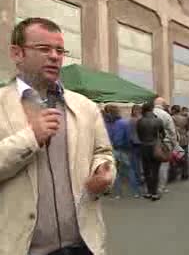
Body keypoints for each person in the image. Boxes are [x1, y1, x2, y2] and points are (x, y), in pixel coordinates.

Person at [0, 17, 116, 255]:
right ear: (17, 53)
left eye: (60, 50)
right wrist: (31, 138)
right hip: (20, 248)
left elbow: (103, 152)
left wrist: (104, 171)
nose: (55, 56)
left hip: (84, 245)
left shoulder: (85, 106)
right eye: (44, 49)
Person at [104, 104, 141, 199]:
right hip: (124, 149)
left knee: (115, 172)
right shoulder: (124, 123)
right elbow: (129, 137)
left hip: (111, 149)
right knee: (130, 170)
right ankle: (136, 192)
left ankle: (118, 193)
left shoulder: (105, 124)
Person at [137, 101, 171, 201]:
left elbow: (139, 135)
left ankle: (148, 191)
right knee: (155, 170)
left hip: (144, 147)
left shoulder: (140, 121)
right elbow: (163, 135)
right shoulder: (158, 121)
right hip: (155, 147)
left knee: (146, 170)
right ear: (152, 109)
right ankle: (154, 193)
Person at [153, 97, 177, 193]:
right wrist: (174, 144)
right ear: (163, 105)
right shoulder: (166, 115)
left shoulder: (148, 113)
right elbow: (172, 132)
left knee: (152, 166)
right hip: (164, 144)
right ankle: (161, 186)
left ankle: (152, 186)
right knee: (163, 165)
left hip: (150, 143)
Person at [171, 105, 189, 180]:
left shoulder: (172, 118)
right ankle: (185, 174)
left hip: (176, 139)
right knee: (184, 157)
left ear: (174, 110)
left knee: (175, 157)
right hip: (184, 139)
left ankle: (174, 174)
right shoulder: (185, 118)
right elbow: (188, 128)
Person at [129, 104, 144, 191]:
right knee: (139, 162)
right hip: (140, 142)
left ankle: (138, 179)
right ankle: (140, 178)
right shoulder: (140, 120)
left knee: (136, 162)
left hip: (133, 143)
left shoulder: (131, 120)